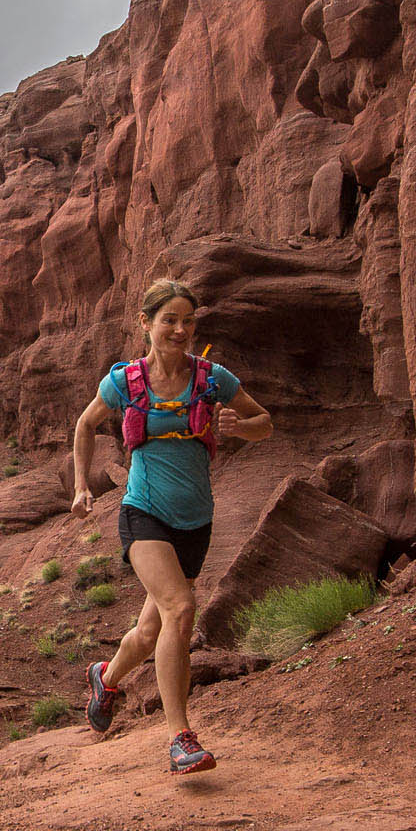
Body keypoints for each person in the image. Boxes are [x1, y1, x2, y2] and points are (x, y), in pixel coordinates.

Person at [68, 280, 271, 772]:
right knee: (181, 611)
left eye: (187, 321)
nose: (179, 329)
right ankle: (181, 738)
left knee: (148, 630)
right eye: (168, 320)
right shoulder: (124, 381)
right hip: (144, 513)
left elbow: (264, 421)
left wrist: (241, 428)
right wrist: (80, 486)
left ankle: (107, 676)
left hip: (195, 522)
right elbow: (85, 425)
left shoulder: (212, 378)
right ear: (146, 323)